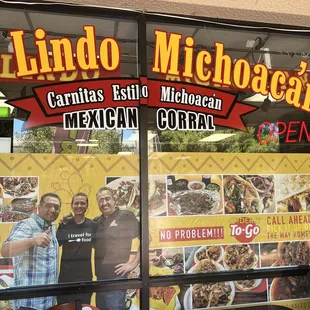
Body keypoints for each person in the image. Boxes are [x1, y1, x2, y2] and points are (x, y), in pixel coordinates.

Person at [1, 192, 61, 310]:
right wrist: (32, 241)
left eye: (56, 207)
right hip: (28, 304)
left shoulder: (52, 226)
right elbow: (5, 251)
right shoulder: (26, 225)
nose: (52, 209)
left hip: (48, 302)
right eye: (48, 205)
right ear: (39, 208)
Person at [94, 186, 141, 310]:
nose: (104, 203)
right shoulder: (97, 222)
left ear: (114, 200)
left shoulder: (126, 216)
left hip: (116, 278)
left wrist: (133, 264)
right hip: (99, 280)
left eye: (107, 199)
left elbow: (147, 239)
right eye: (100, 200)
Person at [56, 192, 96, 305]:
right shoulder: (65, 224)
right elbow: (57, 243)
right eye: (76, 203)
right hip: (66, 276)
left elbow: (97, 245)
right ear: (72, 205)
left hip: (85, 276)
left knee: (83, 306)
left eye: (82, 203)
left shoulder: (92, 225)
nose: (79, 206)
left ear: (87, 205)